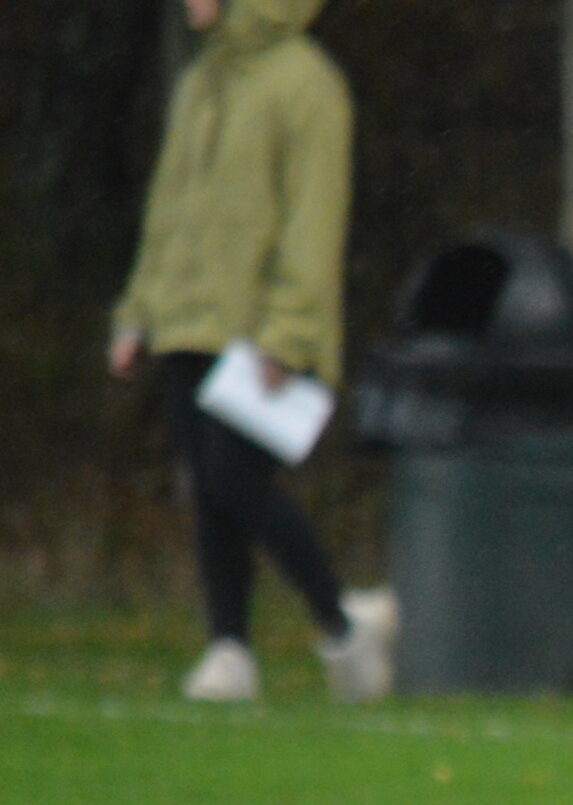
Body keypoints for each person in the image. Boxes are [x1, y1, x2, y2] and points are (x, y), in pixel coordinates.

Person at [109, 0, 390, 706]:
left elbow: (313, 219)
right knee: (209, 491)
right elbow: (168, 210)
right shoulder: (200, 81)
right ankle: (230, 647)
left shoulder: (308, 84)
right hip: (184, 322)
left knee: (236, 481)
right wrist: (138, 312)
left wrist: (289, 334)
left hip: (257, 331)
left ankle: (344, 624)